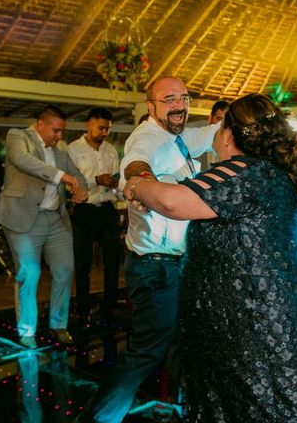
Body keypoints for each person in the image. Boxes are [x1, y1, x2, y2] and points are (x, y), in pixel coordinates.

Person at [123, 93, 297, 422]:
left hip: (252, 324)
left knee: (255, 407)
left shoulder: (243, 171)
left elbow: (174, 201)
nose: (215, 135)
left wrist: (135, 183)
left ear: (230, 136)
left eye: (219, 129)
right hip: (271, 314)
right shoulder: (270, 172)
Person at [79, 76, 218, 423]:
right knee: (146, 351)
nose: (178, 105)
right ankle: (98, 418)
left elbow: (216, 130)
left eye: (183, 98)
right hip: (156, 266)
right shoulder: (147, 137)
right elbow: (136, 166)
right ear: (151, 106)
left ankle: (184, 410)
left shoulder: (182, 136)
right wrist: (141, 185)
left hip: (178, 262)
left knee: (182, 344)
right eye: (168, 99)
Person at [0, 105, 88, 349]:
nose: (59, 136)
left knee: (65, 270)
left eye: (62, 132)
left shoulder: (61, 151)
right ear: (40, 124)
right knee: (29, 273)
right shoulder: (18, 136)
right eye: (56, 131)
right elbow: (22, 161)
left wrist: (82, 188)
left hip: (55, 219)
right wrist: (62, 177)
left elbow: (76, 175)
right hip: (23, 218)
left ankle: (58, 324)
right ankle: (26, 331)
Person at [68, 108, 122, 325]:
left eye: (108, 128)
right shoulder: (73, 149)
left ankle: (109, 307)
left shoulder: (110, 150)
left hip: (107, 208)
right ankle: (83, 307)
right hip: (84, 209)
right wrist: (95, 180)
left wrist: (115, 182)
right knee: (82, 263)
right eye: (101, 128)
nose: (104, 132)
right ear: (88, 125)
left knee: (112, 261)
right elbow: (70, 181)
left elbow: (116, 176)